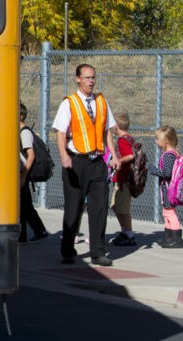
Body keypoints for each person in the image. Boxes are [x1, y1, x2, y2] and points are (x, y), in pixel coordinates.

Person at [52, 64, 116, 266]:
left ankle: (98, 252)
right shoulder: (69, 103)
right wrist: (63, 155)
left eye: (93, 77)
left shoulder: (101, 101)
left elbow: (107, 131)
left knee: (99, 207)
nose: (91, 81)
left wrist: (113, 155)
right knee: (74, 207)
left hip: (97, 161)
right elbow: (61, 132)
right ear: (78, 79)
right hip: (76, 161)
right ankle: (68, 249)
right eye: (87, 77)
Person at [146, 126, 183, 248]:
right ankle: (168, 237)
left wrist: (154, 170)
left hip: (169, 189)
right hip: (169, 188)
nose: (156, 141)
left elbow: (166, 173)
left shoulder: (169, 155)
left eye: (158, 139)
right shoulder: (172, 153)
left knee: (170, 212)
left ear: (166, 140)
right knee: (167, 212)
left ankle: (176, 239)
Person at [18, 102, 49, 242]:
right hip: (20, 172)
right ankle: (27, 233)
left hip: (23, 172)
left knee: (25, 206)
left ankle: (38, 230)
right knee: (23, 206)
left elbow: (31, 155)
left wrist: (24, 175)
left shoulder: (24, 133)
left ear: (21, 116)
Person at [108, 112, 138, 246]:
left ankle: (129, 234)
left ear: (116, 127)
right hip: (120, 179)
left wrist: (118, 160)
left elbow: (130, 156)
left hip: (124, 180)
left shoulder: (123, 140)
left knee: (122, 208)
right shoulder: (127, 138)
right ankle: (124, 231)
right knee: (116, 206)